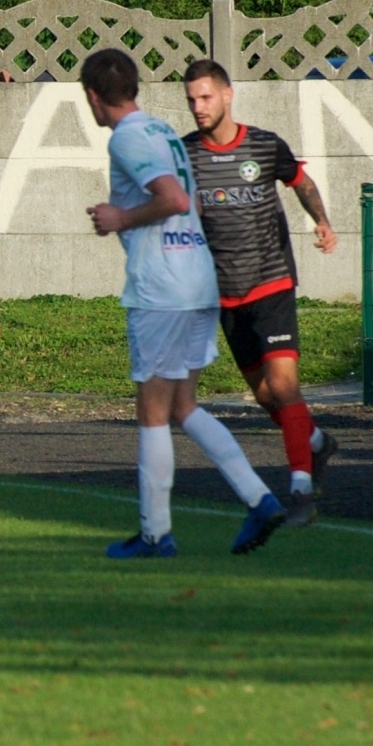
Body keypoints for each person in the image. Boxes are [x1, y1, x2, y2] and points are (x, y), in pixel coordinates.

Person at [81, 49, 285, 557]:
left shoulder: (127, 137)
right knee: (182, 406)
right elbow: (186, 201)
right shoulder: (163, 131)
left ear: (91, 97)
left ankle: (155, 534)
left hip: (163, 288)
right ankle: (258, 499)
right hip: (197, 278)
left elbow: (172, 198)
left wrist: (119, 219)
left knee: (152, 412)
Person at [181, 59, 340, 527]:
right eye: (191, 99)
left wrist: (323, 221)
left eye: (206, 97)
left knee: (285, 385)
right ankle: (314, 442)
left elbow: (301, 181)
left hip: (271, 282)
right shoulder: (185, 153)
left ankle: (301, 489)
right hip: (223, 293)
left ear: (228, 95)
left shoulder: (265, 146)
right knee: (266, 395)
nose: (198, 107)